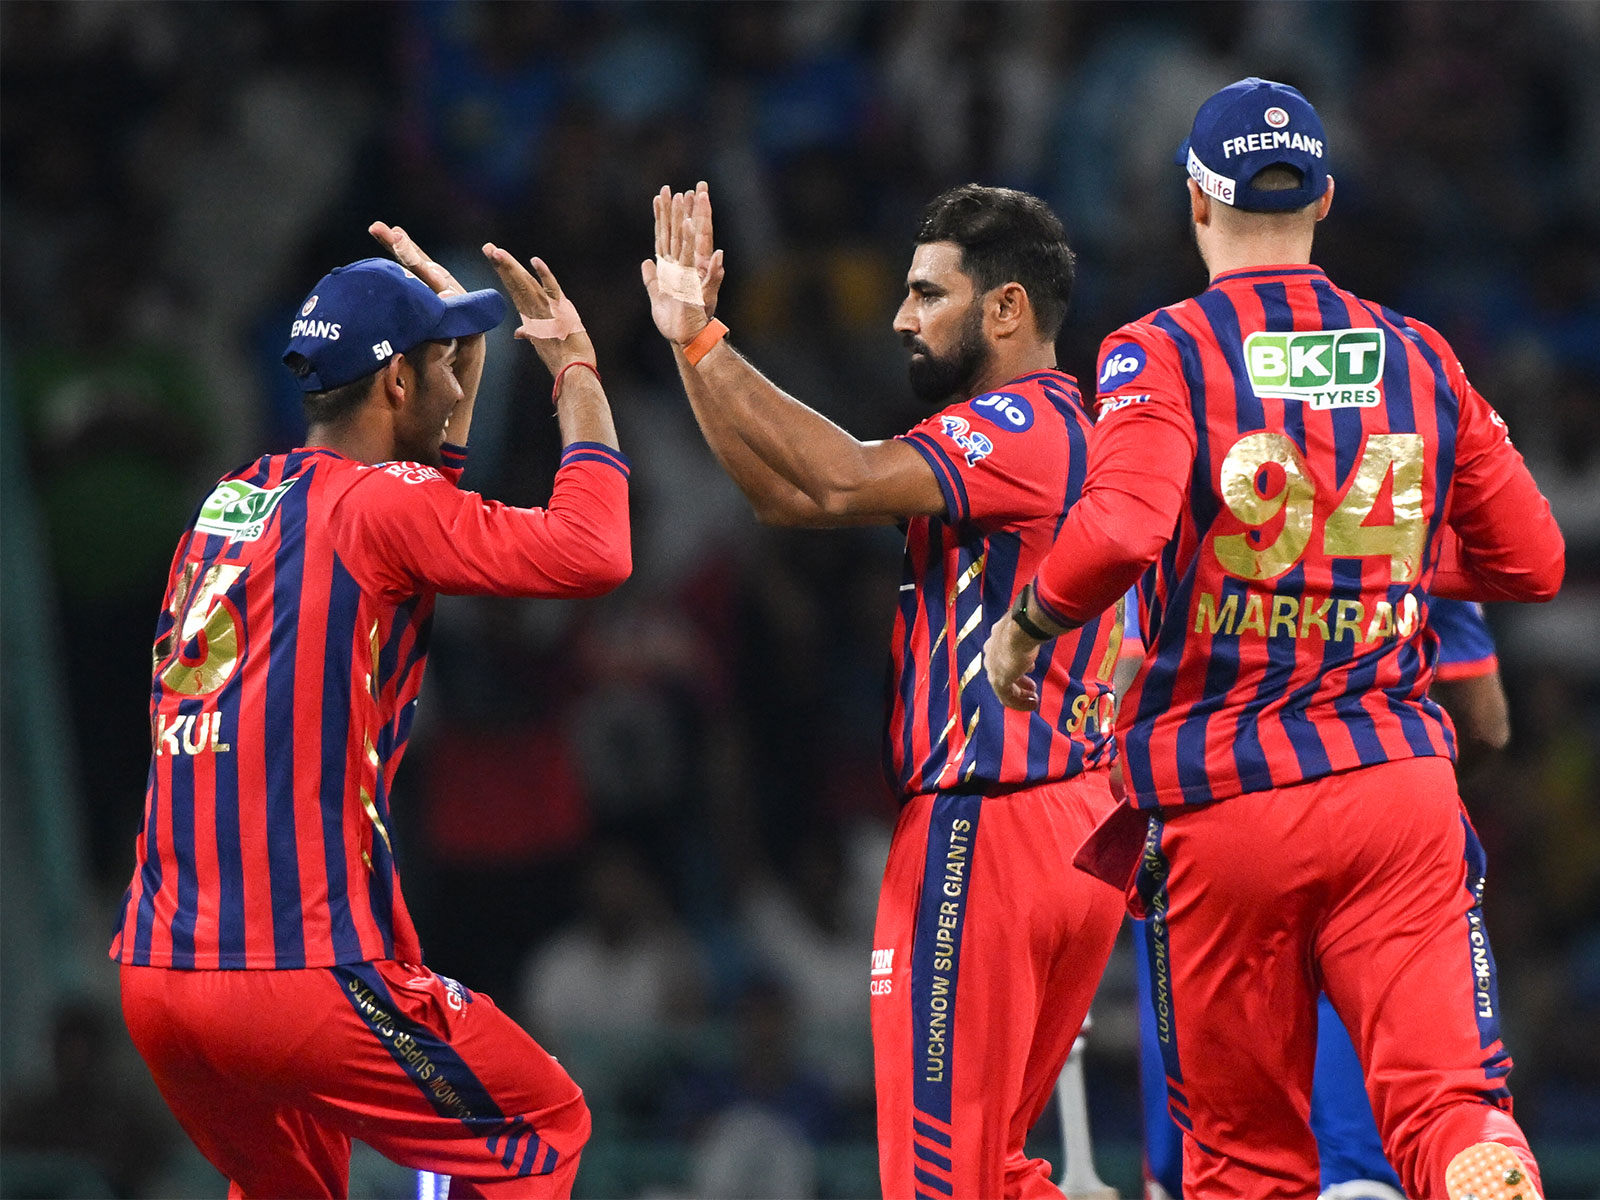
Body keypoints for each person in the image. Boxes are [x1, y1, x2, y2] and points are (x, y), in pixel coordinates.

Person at [985, 78, 1564, 1200]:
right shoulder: (1420, 356)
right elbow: (1531, 562)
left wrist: (1031, 621)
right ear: (1326, 198)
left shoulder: (1159, 351)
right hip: (1397, 787)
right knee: (1450, 1107)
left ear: (1194, 202)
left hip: (1227, 803)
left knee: (1244, 1161)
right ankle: (1487, 1168)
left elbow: (1120, 531)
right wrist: (1373, 556)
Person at [111, 224, 632, 1198]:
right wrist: (576, 373)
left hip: (161, 978)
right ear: (397, 382)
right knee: (541, 1121)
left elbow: (391, 559)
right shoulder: (378, 510)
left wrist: (452, 406)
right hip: (297, 968)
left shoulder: (234, 500)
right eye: (443, 360)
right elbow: (593, 548)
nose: (457, 375)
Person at [642, 181, 1126, 1199]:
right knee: (998, 1173)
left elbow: (840, 478)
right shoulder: (1079, 436)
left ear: (1006, 310)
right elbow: (782, 494)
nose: (901, 317)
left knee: (940, 1181)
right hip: (1076, 830)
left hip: (984, 829)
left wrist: (702, 336)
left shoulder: (1021, 426)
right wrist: (692, 350)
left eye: (926, 293)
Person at [1129, 598, 1510, 1200]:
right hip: (1391, 811)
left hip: (1216, 825)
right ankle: (1480, 1149)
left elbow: (1117, 687)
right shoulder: (1417, 506)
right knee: (1442, 1109)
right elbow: (1486, 720)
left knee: (1234, 1153)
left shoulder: (1161, 508)